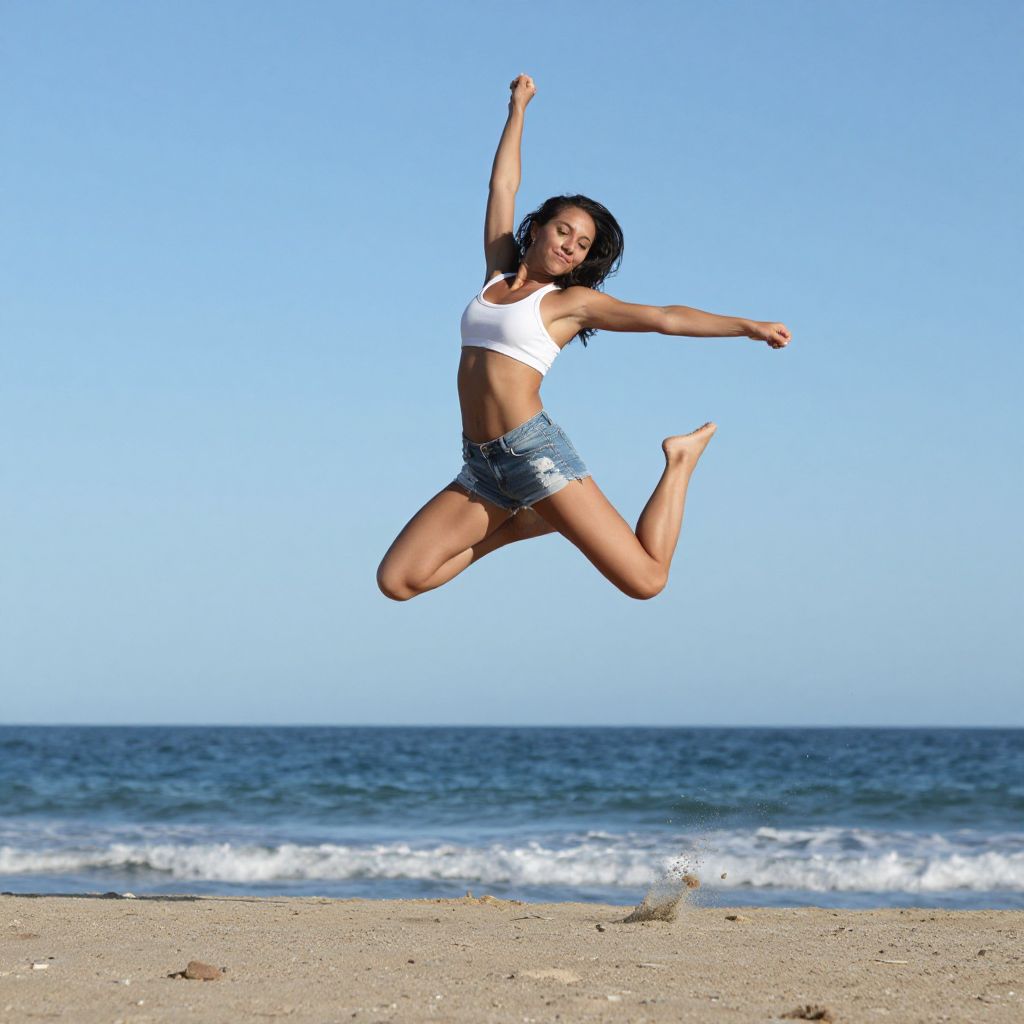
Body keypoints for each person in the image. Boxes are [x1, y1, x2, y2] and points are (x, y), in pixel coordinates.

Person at [377, 74, 791, 602]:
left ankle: (681, 459)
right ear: (538, 229)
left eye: (583, 244)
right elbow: (501, 188)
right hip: (482, 463)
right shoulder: (497, 276)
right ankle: (524, 524)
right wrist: (518, 109)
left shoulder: (569, 305)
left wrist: (748, 327)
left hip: (534, 455)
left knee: (647, 580)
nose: (571, 246)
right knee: (398, 581)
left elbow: (663, 317)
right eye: (564, 231)